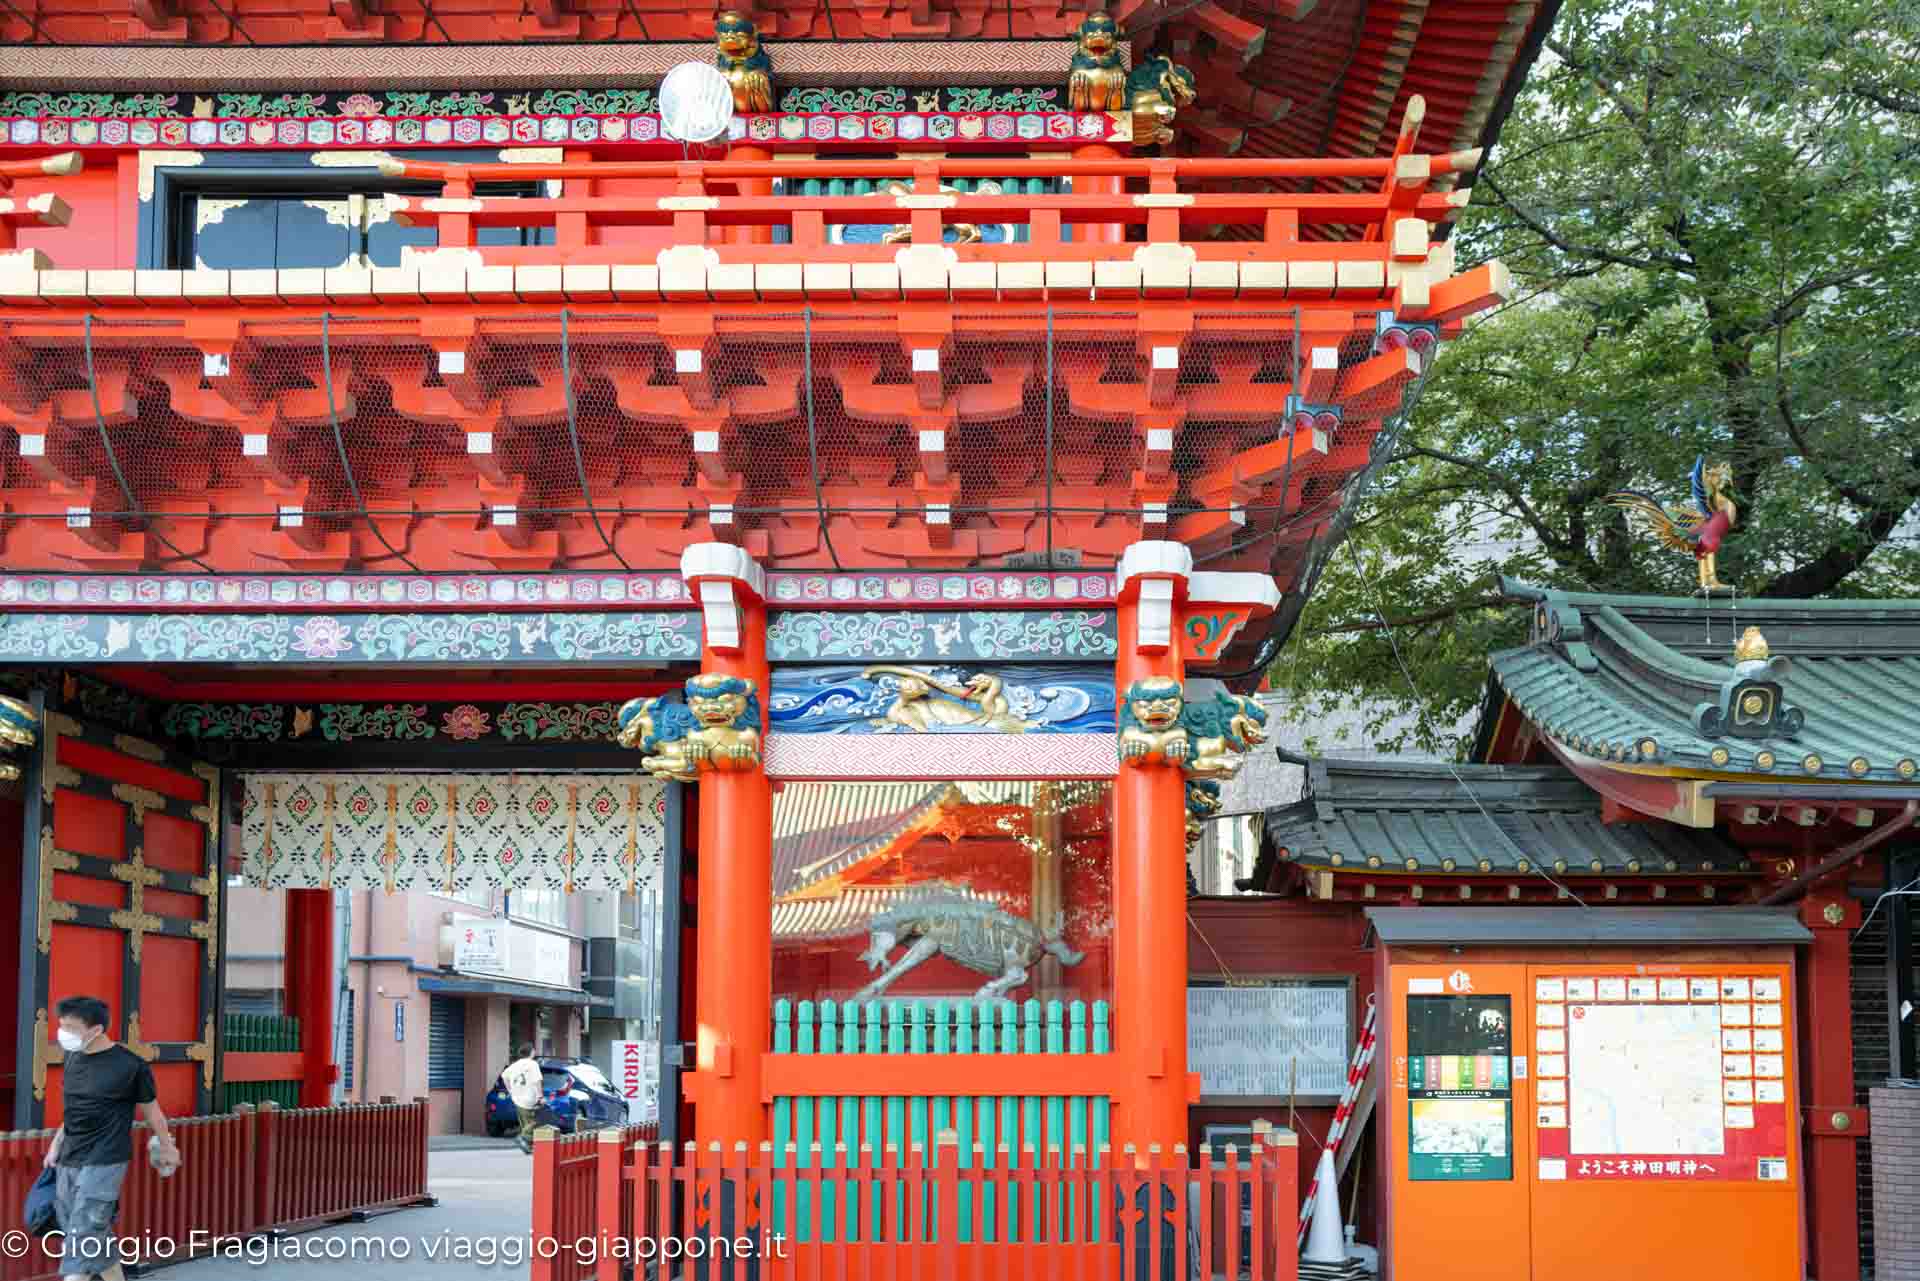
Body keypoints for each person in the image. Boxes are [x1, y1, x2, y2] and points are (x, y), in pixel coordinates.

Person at [42, 995, 170, 1281]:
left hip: (106, 1158)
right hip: (71, 1156)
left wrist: (168, 1147)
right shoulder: (73, 1058)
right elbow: (73, 1110)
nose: (63, 1033)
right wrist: (55, 1145)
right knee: (86, 1230)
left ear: (96, 1030)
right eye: (61, 1025)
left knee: (83, 1232)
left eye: (71, 1028)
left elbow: (153, 1113)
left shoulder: (130, 1066)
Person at [501, 1043, 544, 1154]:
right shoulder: (532, 1064)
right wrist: (540, 1096)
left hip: (517, 1098)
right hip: (529, 1098)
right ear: (531, 1052)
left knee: (525, 1123)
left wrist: (510, 1090)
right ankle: (522, 1137)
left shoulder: (515, 1065)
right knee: (535, 1121)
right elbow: (537, 1080)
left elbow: (504, 1076)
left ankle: (527, 1147)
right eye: (534, 1050)